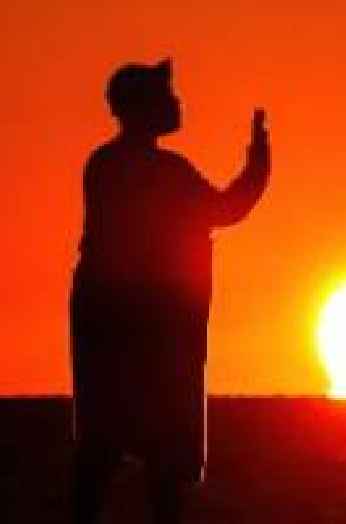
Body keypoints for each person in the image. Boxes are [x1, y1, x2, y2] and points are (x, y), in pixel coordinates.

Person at [70, 59, 270, 524]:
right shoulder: (162, 171)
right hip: (152, 321)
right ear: (142, 107)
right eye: (166, 97)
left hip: (110, 314)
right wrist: (258, 163)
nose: (176, 104)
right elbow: (226, 208)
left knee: (105, 439)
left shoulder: (104, 164)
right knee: (158, 446)